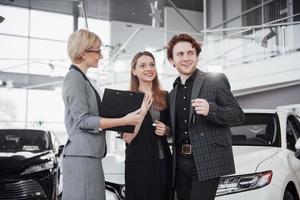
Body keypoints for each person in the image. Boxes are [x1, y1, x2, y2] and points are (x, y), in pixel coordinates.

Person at [62, 29, 143, 200]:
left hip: (88, 155)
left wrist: (122, 119)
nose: (101, 55)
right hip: (82, 156)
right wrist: (123, 120)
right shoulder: (74, 78)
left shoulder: (82, 78)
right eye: (98, 50)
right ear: (84, 53)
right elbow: (83, 121)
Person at [166, 34, 244, 200]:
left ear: (197, 56)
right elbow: (176, 130)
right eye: (180, 54)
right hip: (179, 163)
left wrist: (212, 110)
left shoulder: (214, 81)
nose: (186, 58)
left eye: (190, 53)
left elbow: (238, 115)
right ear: (172, 60)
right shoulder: (172, 94)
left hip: (206, 161)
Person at [123, 51, 173, 200]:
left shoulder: (166, 96)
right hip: (138, 164)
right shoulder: (128, 98)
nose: (149, 68)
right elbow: (128, 138)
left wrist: (166, 130)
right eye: (143, 65)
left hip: (163, 161)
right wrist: (142, 112)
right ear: (134, 71)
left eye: (152, 65)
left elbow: (174, 130)